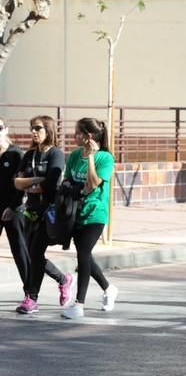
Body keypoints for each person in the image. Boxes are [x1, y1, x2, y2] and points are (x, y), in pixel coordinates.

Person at [14, 115, 73, 314]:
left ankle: (31, 298)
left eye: (38, 128)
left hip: (48, 212)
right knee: (34, 255)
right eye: (32, 128)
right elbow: (17, 182)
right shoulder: (29, 154)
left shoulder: (56, 154)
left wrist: (32, 183)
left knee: (35, 253)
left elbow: (51, 184)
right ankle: (63, 279)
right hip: (30, 212)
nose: (34, 132)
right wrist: (37, 181)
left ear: (48, 129)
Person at [60, 118, 118, 319]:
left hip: (95, 213)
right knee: (85, 256)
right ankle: (109, 288)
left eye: (77, 133)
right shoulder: (75, 155)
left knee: (83, 253)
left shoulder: (105, 158)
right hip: (75, 212)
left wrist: (92, 157)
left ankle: (79, 304)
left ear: (88, 136)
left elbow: (93, 183)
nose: (74, 136)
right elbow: (66, 179)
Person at [0, 117, 31, 294]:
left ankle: (30, 292)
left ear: (6, 130)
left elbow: (21, 185)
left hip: (14, 209)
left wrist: (12, 207)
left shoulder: (15, 154)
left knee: (19, 249)